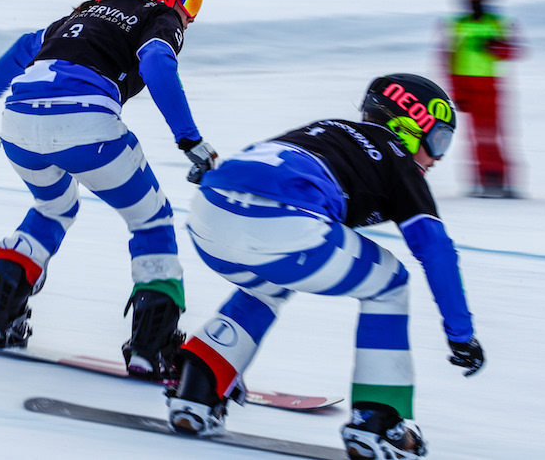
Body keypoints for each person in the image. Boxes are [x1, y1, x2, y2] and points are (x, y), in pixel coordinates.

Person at [165, 74, 485, 459]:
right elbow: (436, 250)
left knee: (267, 283)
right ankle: (379, 420)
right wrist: (461, 335)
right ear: (408, 126)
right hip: (283, 222)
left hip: (208, 215)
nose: (437, 159)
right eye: (437, 141)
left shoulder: (327, 129)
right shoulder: (397, 156)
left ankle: (200, 385)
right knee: (390, 283)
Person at [0, 0, 218, 380]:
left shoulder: (86, 12)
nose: (192, 15)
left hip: (18, 124)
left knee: (53, 207)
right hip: (86, 124)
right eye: (193, 1)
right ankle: (152, 346)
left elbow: (24, 47)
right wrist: (191, 140)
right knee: (150, 219)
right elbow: (158, 64)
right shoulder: (159, 16)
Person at [440, 0, 526, 198]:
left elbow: (514, 50)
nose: (477, 2)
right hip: (467, 87)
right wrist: (457, 92)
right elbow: (448, 58)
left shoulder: (497, 22)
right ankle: (483, 181)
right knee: (476, 137)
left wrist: (495, 47)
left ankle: (501, 180)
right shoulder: (457, 24)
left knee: (495, 134)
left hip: (490, 87)